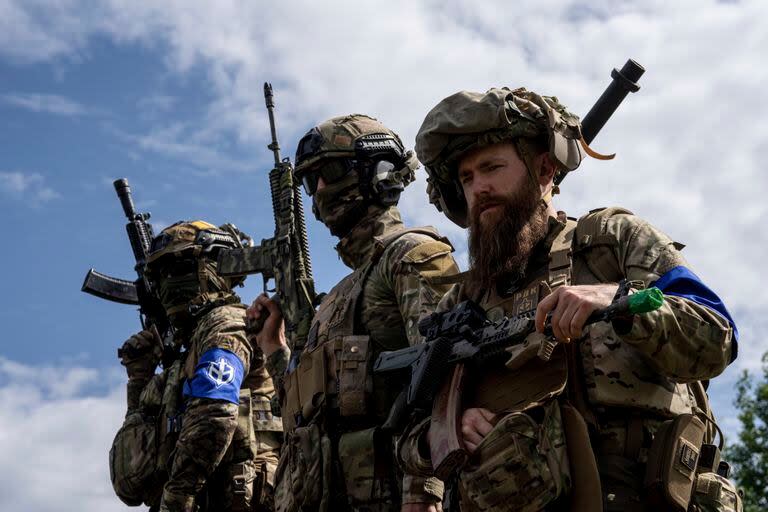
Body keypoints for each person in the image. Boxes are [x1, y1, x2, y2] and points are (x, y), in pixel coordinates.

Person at [396, 87, 741, 511]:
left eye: (491, 167)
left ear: (544, 169)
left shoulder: (610, 243)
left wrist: (620, 299)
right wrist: (446, 431)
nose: (478, 188)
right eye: (467, 178)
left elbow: (717, 338)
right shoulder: (458, 305)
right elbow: (406, 438)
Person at [248, 114, 461, 512]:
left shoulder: (411, 254)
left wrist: (425, 491)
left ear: (378, 172)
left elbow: (445, 377)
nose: (321, 191)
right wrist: (273, 347)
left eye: (330, 172)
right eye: (312, 182)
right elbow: (306, 410)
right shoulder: (336, 298)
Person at [112, 220, 282, 512]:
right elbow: (131, 480)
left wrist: (177, 499)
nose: (170, 282)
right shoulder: (179, 362)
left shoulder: (225, 325)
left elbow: (215, 412)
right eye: (161, 274)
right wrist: (139, 380)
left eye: (181, 269)